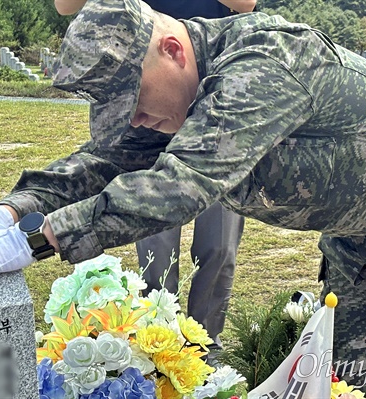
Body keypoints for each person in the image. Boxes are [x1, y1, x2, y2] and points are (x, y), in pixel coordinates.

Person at [0, 0, 366, 397]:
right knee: (346, 388)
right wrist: (12, 209)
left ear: (173, 49)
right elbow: (109, 158)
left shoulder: (264, 60)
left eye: (138, 101)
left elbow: (183, 182)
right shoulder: (178, 95)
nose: (139, 121)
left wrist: (37, 240)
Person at [52, 0, 254, 356]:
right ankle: (160, 344)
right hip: (143, 93)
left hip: (212, 100)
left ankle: (206, 343)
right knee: (154, 242)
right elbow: (65, 7)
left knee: (219, 244)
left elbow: (248, 4)